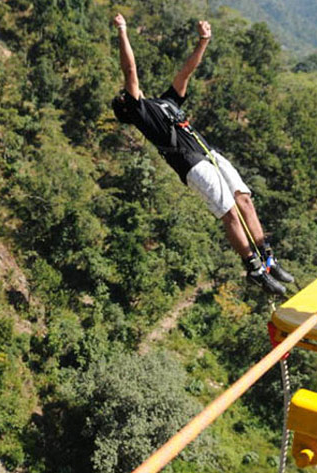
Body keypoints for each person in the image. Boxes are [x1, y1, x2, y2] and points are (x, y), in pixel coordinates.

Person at [110, 13, 294, 296]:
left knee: (244, 200)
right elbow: (130, 70)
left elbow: (186, 72)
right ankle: (254, 268)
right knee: (229, 213)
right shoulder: (141, 114)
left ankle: (269, 258)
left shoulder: (164, 103)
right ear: (127, 107)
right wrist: (123, 31)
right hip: (191, 163)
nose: (128, 92)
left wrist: (204, 41)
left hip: (209, 154)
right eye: (125, 95)